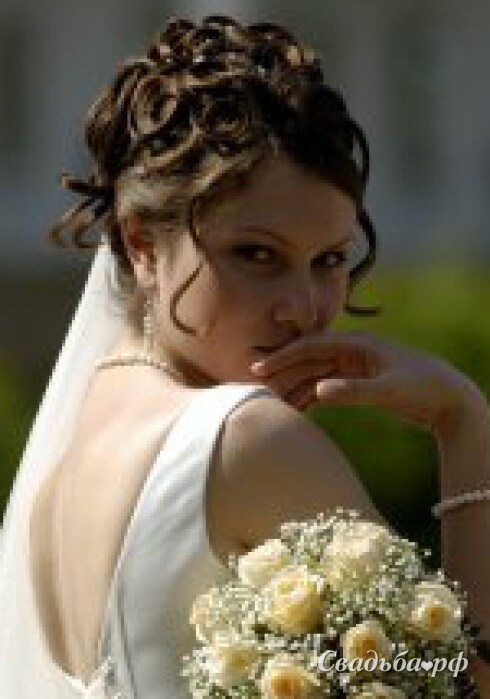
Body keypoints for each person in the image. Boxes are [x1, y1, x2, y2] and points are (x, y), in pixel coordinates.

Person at [1, 13, 489, 698]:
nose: (304, 307)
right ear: (142, 245)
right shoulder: (247, 437)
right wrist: (464, 422)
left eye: (329, 260)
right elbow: (460, 684)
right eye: (256, 254)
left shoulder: (63, 465)